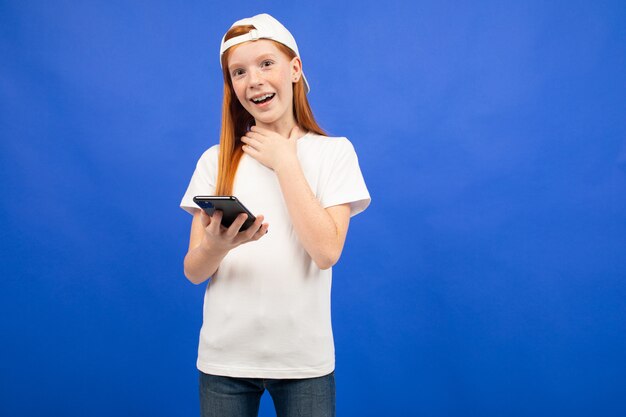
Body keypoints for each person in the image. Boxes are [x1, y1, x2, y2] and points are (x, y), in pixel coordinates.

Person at [180, 13, 370, 417]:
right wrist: (215, 245)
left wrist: (286, 162)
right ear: (231, 86)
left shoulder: (333, 153)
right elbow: (194, 272)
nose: (254, 81)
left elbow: (326, 252)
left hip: (303, 360)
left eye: (267, 63)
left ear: (295, 69)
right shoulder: (215, 162)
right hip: (224, 360)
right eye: (239, 72)